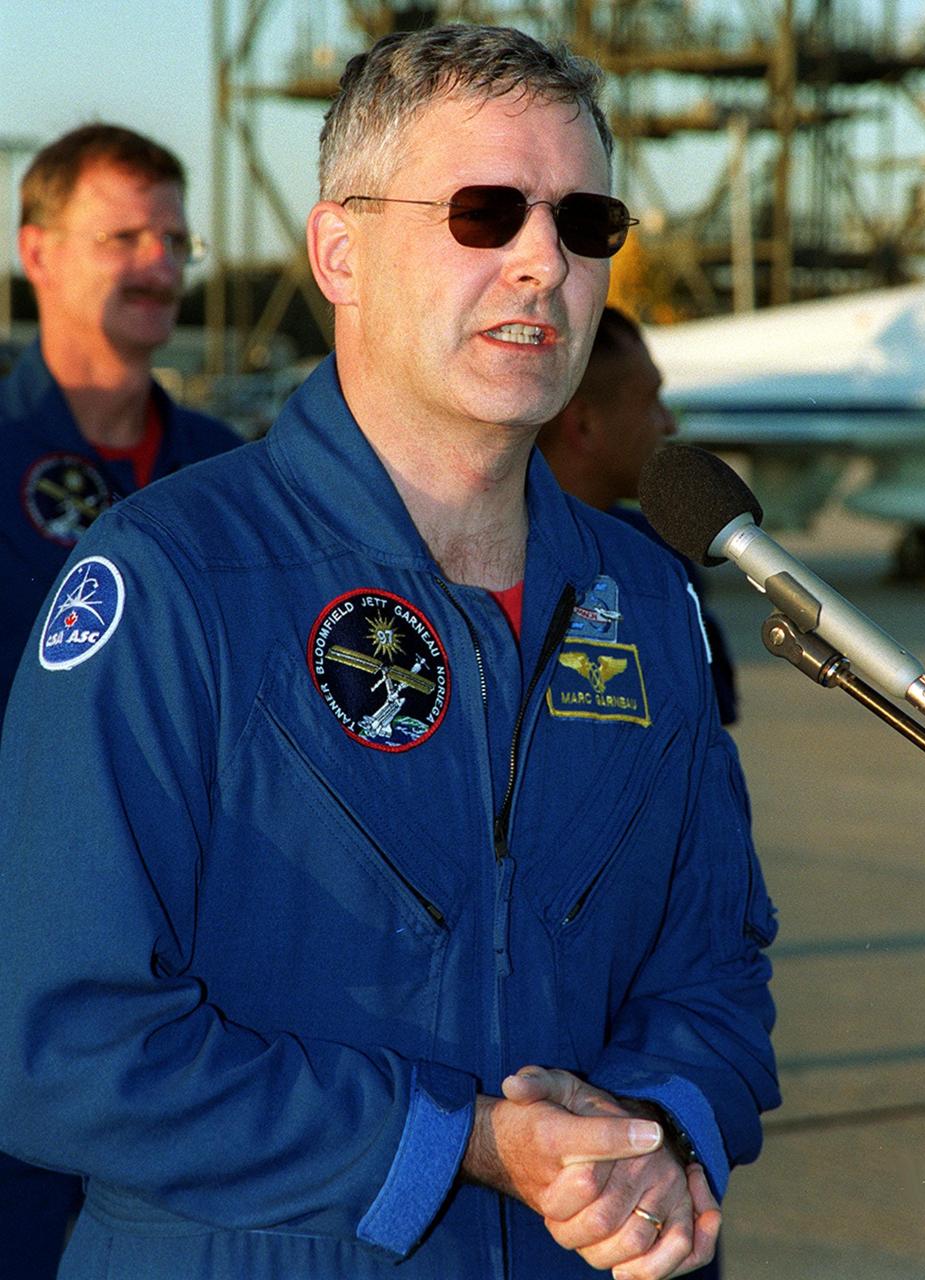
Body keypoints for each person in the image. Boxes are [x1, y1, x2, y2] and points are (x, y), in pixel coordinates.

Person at [0, 27, 779, 1280]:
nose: (542, 260)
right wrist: (453, 1141)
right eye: (484, 211)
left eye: (584, 222)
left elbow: (712, 966)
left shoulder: (643, 595)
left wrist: (658, 1130)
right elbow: (56, 1041)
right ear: (339, 252)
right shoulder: (172, 580)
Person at [0, 123, 239, 1278]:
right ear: (34, 250)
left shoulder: (229, 475)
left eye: (175, 239)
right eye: (124, 236)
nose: (158, 263)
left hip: (202, 1005)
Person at [538, 305, 738, 726]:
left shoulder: (658, 555)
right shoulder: (652, 563)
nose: (668, 425)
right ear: (585, 425)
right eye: (651, 401)